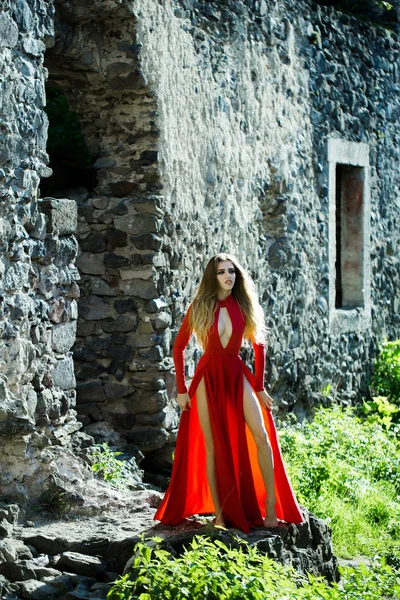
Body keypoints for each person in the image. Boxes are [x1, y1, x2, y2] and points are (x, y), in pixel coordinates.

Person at [154, 253, 303, 532]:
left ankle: (271, 506)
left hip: (236, 373)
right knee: (212, 447)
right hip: (207, 377)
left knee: (261, 435)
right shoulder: (199, 306)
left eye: (232, 271)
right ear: (214, 276)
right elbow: (179, 347)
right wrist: (182, 390)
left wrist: (259, 387)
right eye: (222, 272)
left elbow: (259, 346)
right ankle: (220, 514)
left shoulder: (244, 305)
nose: (228, 276)